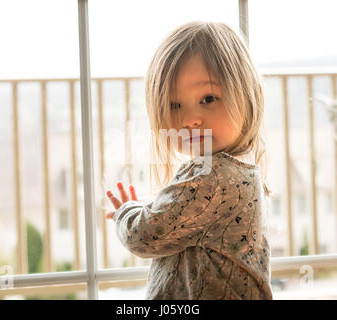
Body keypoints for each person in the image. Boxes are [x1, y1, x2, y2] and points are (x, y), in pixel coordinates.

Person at [105, 21, 273, 300]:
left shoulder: (211, 175)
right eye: (174, 105)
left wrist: (126, 212)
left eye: (208, 98)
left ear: (247, 95)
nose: (189, 119)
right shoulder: (242, 170)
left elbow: (143, 236)